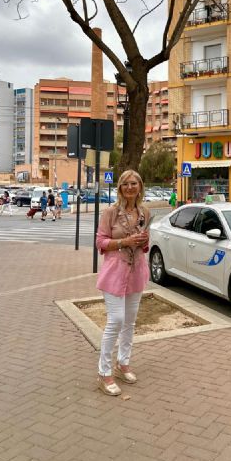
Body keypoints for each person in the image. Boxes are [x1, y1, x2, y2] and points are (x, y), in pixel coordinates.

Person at [95, 170, 150, 396]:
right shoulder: (110, 213)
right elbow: (100, 241)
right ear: (120, 187)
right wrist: (124, 241)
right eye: (126, 183)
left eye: (134, 183)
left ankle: (123, 363)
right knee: (115, 321)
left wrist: (144, 242)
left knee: (130, 322)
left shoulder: (144, 212)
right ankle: (104, 372)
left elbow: (145, 245)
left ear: (140, 186)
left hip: (136, 271)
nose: (130, 187)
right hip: (115, 273)